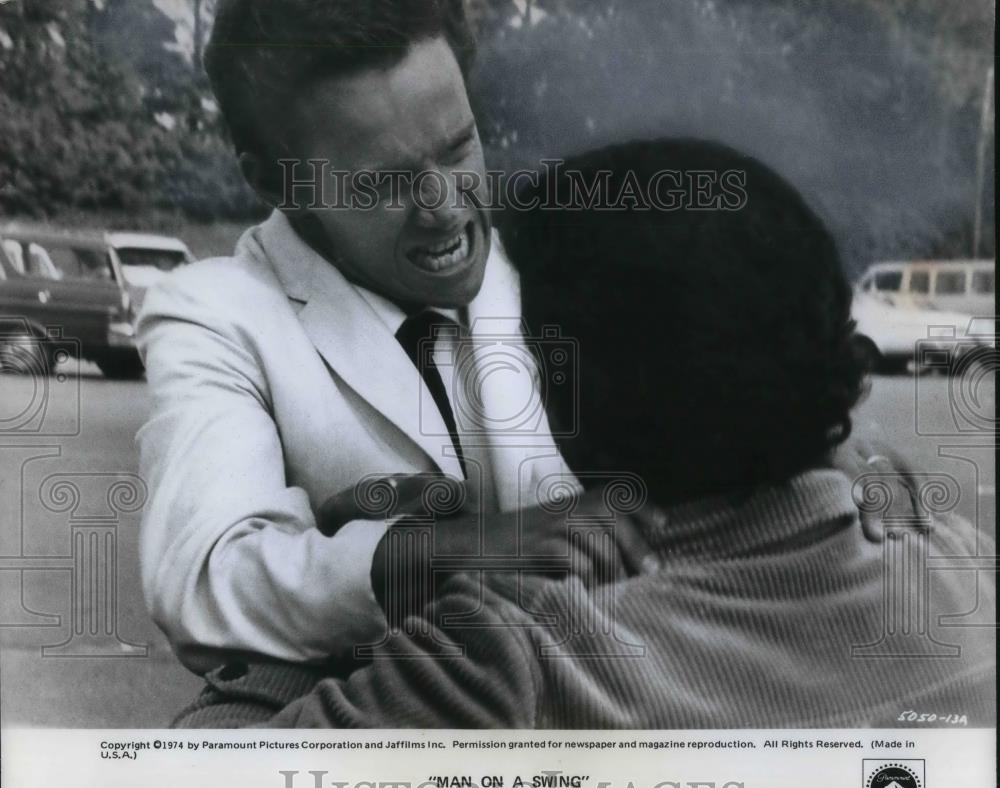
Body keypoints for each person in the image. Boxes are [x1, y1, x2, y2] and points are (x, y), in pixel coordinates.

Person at [174, 138, 995, 728]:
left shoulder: (518, 658)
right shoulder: (965, 573)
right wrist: (834, 448)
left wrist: (304, 620)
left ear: (581, 421)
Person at [137, 0, 650, 678]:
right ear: (273, 182)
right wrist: (423, 555)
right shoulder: (215, 312)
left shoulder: (563, 262)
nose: (444, 206)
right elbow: (203, 578)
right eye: (383, 181)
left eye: (459, 146)